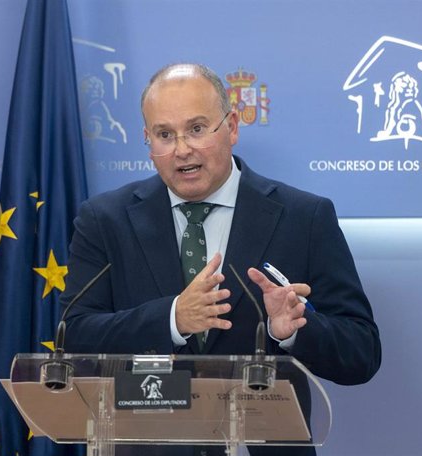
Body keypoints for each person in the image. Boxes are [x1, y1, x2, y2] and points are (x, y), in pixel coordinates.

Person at [61, 63, 381, 456]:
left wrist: (296, 329)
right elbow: (74, 335)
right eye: (165, 134)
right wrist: (172, 319)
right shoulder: (106, 220)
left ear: (231, 127)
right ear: (147, 140)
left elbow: (361, 354)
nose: (182, 149)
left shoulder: (304, 217)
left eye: (196, 129)